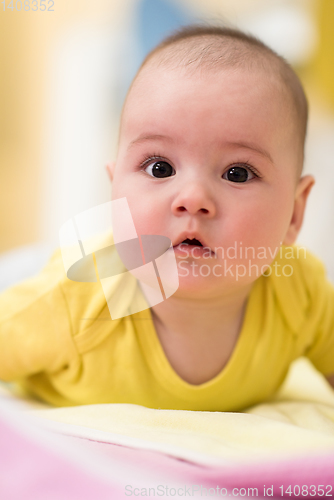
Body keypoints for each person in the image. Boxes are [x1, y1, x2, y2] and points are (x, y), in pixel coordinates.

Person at [1, 25, 334, 410]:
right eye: (160, 168)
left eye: (237, 173)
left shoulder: (299, 295)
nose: (192, 199)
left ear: (295, 212)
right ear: (115, 194)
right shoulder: (71, 302)